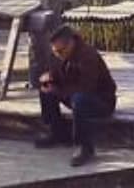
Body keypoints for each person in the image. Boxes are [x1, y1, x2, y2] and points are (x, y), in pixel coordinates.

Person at [36, 24, 118, 166]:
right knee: (46, 90)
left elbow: (87, 88)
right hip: (74, 95)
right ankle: (56, 131)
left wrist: (59, 91)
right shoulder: (58, 55)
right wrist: (49, 79)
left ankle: (85, 146)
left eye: (61, 51)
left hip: (100, 101)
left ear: (71, 43)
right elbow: (57, 75)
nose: (58, 54)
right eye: (55, 51)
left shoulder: (88, 55)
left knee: (79, 99)